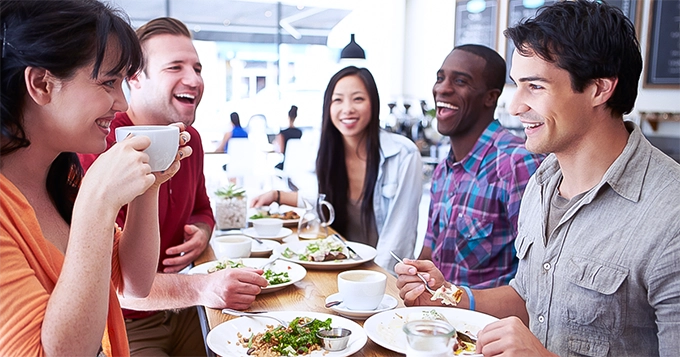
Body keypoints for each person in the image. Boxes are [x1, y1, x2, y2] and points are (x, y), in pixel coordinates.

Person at [396, 1, 680, 356]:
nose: (514, 106)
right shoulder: (543, 181)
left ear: (599, 89)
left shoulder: (670, 217)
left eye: (535, 86)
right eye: (517, 85)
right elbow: (530, 299)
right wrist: (450, 296)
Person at [0, 0, 191, 356]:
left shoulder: (62, 174)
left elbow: (134, 282)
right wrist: (96, 203)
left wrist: (149, 185)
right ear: (42, 83)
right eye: (108, 82)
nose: (121, 102)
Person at [79, 17, 267, 357]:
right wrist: (203, 288)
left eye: (197, 67)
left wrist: (202, 231)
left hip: (186, 307)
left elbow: (203, 209)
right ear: (134, 78)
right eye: (175, 67)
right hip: (127, 320)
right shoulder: (99, 143)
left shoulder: (189, 138)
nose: (194, 79)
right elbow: (113, 282)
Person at [252, 66, 423, 273]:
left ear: (374, 104)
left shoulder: (403, 154)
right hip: (341, 266)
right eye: (338, 100)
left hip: (379, 278)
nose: (348, 108)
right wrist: (277, 195)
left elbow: (399, 237)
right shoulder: (329, 153)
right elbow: (324, 203)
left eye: (358, 99)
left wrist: (376, 282)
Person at [419, 44, 543, 288]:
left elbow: (537, 282)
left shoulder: (518, 163)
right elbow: (429, 253)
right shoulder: (444, 168)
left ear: (490, 97)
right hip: (439, 321)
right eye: (440, 78)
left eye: (461, 81)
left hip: (488, 324)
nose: (442, 88)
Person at [274, 105, 303, 170]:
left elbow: (280, 150)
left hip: (285, 165)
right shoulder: (299, 133)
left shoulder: (282, 133)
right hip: (297, 164)